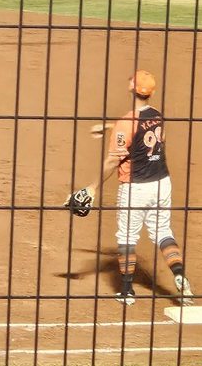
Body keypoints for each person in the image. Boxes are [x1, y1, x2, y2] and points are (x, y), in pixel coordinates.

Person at [66, 70, 193, 307]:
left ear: (132, 88)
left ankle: (126, 291)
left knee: (126, 237)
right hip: (161, 183)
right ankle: (179, 274)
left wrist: (92, 188)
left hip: (136, 187)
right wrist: (109, 127)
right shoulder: (157, 115)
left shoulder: (126, 123)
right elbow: (141, 132)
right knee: (162, 232)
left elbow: (113, 160)